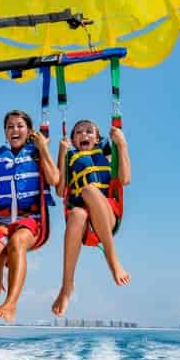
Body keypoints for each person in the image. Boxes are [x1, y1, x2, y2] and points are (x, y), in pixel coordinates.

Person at [0, 110, 59, 339]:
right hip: (2, 218)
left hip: (30, 218)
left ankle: (10, 303)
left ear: (29, 130)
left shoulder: (36, 153)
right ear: (5, 132)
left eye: (19, 126)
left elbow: (55, 179)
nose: (14, 130)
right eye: (10, 127)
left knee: (17, 242)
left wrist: (44, 148)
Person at [51, 119, 131, 317]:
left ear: (97, 139)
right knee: (77, 213)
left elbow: (125, 179)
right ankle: (66, 286)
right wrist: (61, 152)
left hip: (108, 216)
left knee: (89, 190)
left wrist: (121, 144)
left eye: (89, 131)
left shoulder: (107, 153)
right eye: (78, 132)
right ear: (72, 140)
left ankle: (112, 260)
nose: (83, 135)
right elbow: (61, 191)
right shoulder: (70, 157)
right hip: (85, 228)